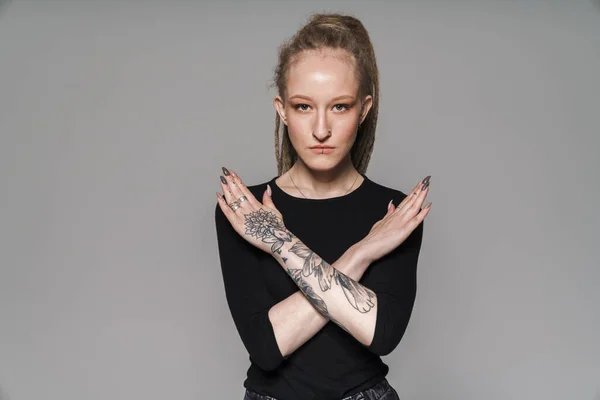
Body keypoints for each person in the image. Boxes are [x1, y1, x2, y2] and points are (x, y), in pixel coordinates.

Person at [214, 12, 431, 400]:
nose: (320, 130)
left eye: (339, 107)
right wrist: (362, 252)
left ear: (364, 109)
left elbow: (381, 333)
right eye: (303, 107)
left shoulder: (394, 214)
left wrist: (278, 242)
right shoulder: (244, 209)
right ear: (281, 109)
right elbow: (266, 348)